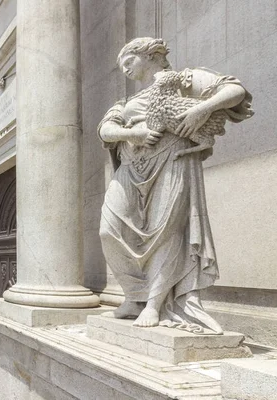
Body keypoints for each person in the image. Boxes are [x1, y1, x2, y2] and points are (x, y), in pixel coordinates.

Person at [97, 37, 253, 334]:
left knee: (166, 231)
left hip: (172, 159)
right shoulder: (126, 102)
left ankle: (154, 304)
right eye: (122, 67)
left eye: (128, 62)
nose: (125, 70)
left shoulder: (182, 80)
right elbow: (106, 129)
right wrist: (134, 134)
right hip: (131, 168)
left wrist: (201, 109)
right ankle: (133, 295)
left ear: (150, 55)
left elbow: (235, 90)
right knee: (109, 230)